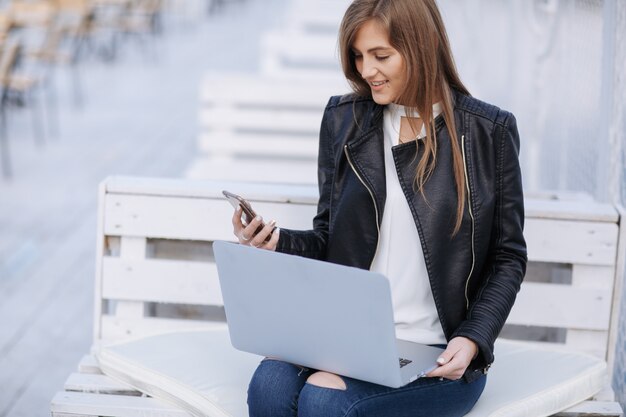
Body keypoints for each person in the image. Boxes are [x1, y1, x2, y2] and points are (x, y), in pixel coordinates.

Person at [230, 0, 527, 415]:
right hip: (344, 334)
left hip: (436, 351)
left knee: (323, 399)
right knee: (270, 387)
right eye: (357, 55)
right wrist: (275, 242)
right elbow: (329, 238)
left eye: (380, 55)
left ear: (421, 48)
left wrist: (474, 336)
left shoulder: (487, 133)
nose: (366, 70)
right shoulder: (344, 120)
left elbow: (508, 257)